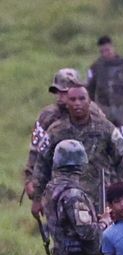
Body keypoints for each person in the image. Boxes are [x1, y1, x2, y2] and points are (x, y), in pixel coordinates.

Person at [31, 85, 123, 218]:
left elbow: (122, 160)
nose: (77, 103)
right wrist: (37, 198)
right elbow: (42, 164)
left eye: (81, 99)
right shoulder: (55, 131)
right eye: (73, 100)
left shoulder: (105, 128)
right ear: (67, 104)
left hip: (100, 202)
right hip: (65, 201)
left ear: (89, 101)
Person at [22, 68, 105, 199]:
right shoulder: (47, 116)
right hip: (56, 181)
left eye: (64, 92)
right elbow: (36, 149)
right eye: (57, 92)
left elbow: (109, 141)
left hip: (91, 180)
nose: (60, 97)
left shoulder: (94, 113)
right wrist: (29, 179)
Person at [87, 35, 123, 126]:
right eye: (102, 51)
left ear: (113, 48)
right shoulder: (95, 67)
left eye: (107, 50)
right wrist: (91, 107)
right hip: (104, 108)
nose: (105, 53)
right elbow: (90, 88)